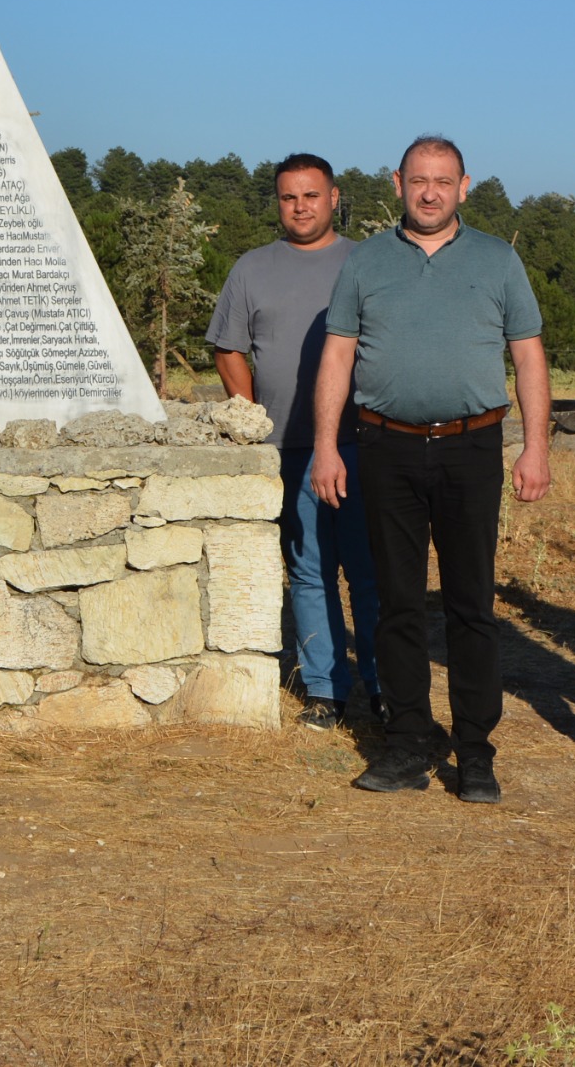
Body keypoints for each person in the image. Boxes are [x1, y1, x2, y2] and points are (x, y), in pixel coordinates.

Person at [310, 135, 550, 804]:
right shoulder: (366, 263)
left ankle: (475, 749)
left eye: (443, 181)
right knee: (396, 603)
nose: (430, 192)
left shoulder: (498, 260)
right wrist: (327, 446)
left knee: (473, 604)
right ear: (397, 183)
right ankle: (409, 739)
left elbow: (528, 356)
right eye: (419, 180)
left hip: (472, 449)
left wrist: (536, 447)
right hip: (385, 448)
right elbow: (337, 355)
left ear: (464, 187)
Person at [208, 152, 382, 730]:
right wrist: (253, 415)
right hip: (285, 448)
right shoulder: (252, 269)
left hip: (362, 446)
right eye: (289, 197)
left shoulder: (370, 262)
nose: (300, 206)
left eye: (311, 195)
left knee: (369, 570)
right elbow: (228, 346)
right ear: (278, 203)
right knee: (309, 570)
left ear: (335, 197)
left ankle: (383, 686)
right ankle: (325, 691)